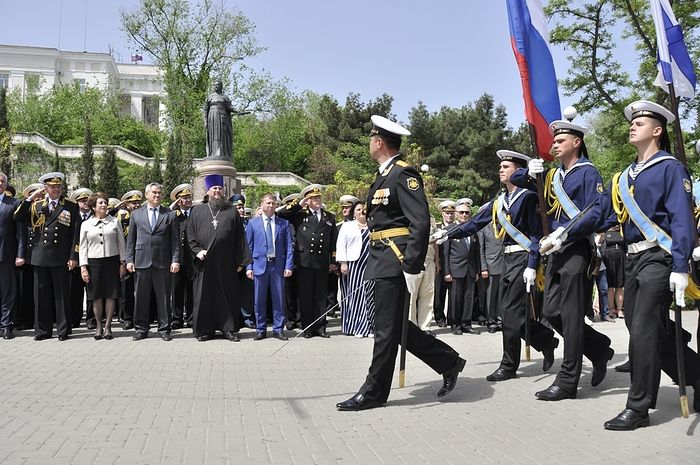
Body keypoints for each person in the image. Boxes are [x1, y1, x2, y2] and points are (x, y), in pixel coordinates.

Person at [336, 115, 465, 411]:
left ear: (379, 142)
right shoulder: (384, 175)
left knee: (385, 330)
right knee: (392, 327)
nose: (370, 143)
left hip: (394, 260)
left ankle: (373, 391)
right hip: (381, 258)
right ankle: (448, 361)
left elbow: (420, 223)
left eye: (371, 139)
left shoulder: (402, 175)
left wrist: (411, 265)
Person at [603, 101, 700, 430]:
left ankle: (639, 406)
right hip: (633, 258)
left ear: (657, 131)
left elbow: (682, 218)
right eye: (632, 122)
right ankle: (699, 376)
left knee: (643, 330)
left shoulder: (670, 168)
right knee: (649, 330)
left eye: (640, 122)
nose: (633, 126)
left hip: (659, 258)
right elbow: (608, 213)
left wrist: (680, 264)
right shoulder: (627, 173)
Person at [433, 150, 559, 382]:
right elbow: (475, 224)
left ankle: (509, 365)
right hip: (506, 259)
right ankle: (545, 340)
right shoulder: (499, 201)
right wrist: (447, 234)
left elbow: (535, 233)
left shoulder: (529, 196)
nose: (501, 170)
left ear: (519, 170)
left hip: (523, 258)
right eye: (500, 166)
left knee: (509, 315)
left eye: (506, 166)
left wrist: (532, 263)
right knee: (511, 313)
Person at [516, 118, 614, 401]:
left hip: (576, 249)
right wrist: (528, 171)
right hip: (555, 251)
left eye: (560, 141)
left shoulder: (587, 173)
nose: (554, 145)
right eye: (553, 141)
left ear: (576, 142)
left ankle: (568, 380)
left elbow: (595, 212)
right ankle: (597, 348)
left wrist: (564, 232)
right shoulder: (553, 175)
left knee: (570, 317)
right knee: (552, 312)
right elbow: (522, 181)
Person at [14, 172, 80, 341]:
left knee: (62, 296)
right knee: (41, 295)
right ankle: (43, 330)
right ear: (46, 188)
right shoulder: (36, 206)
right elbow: (18, 217)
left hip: (60, 256)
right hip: (40, 256)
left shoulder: (70, 206)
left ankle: (63, 330)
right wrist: (30, 199)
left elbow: (75, 234)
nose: (56, 189)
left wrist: (74, 256)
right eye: (52, 187)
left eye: (58, 186)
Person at [187, 174, 251, 341]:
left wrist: (240, 261)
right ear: (208, 191)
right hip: (204, 262)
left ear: (223, 191)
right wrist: (197, 250)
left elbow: (240, 237)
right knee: (204, 297)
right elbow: (190, 234)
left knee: (227, 295)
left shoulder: (231, 210)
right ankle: (205, 330)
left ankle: (228, 329)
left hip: (226, 262)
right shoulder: (197, 210)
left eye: (220, 188)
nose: (217, 191)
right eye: (214, 188)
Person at [278, 184, 338, 339]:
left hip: (322, 261)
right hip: (304, 261)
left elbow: (333, 241)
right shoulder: (299, 215)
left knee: (320, 296)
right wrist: (299, 204)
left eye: (318, 197)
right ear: (308, 200)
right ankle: (308, 328)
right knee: (305, 296)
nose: (317, 200)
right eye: (313, 198)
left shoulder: (329, 217)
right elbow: (282, 214)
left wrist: (333, 260)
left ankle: (321, 327)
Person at [126, 182, 180, 341]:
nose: (157, 195)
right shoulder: (136, 214)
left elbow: (175, 241)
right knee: (141, 298)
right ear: (147, 195)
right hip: (141, 262)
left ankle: (164, 329)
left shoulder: (169, 214)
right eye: (154, 193)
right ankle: (141, 329)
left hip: (163, 262)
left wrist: (175, 260)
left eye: (159, 193)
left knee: (163, 298)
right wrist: (129, 259)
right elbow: (131, 240)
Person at [245, 193, 294, 341]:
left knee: (279, 299)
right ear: (262, 205)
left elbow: (289, 247)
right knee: (259, 300)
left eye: (273, 203)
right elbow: (248, 247)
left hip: (277, 266)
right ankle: (260, 329)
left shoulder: (283, 223)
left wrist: (289, 266)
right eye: (268, 203)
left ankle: (278, 329)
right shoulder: (253, 224)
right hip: (259, 265)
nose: (271, 206)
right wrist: (249, 267)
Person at [79, 192, 126, 340]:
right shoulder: (86, 224)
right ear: (93, 206)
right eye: (100, 203)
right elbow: (83, 247)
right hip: (94, 263)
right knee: (96, 295)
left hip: (112, 261)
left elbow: (121, 244)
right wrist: (83, 267)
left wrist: (122, 263)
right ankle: (99, 326)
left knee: (111, 294)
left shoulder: (114, 221)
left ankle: (108, 327)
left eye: (105, 203)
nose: (104, 205)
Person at [336, 201, 375, 337]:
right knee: (356, 296)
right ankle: (357, 327)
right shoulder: (347, 226)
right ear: (353, 212)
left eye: (363, 209)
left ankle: (369, 327)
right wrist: (343, 263)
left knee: (370, 296)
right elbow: (341, 245)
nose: (361, 212)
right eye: (358, 210)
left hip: (371, 264)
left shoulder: (373, 225)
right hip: (354, 265)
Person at [443, 198, 480, 335]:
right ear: (456, 213)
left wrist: (477, 270)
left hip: (470, 269)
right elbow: (445, 253)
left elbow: (476, 252)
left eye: (467, 212)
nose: (464, 215)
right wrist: (446, 272)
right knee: (455, 298)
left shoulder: (472, 230)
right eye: (461, 212)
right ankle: (455, 324)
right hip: (455, 269)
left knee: (469, 298)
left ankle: (466, 323)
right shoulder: (450, 230)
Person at [0, 171, 23, 340]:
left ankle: (6, 325)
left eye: (2, 181)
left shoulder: (14, 203)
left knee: (8, 292)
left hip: (6, 254)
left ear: (6, 184)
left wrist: (20, 254)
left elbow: (20, 233)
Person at [116, 190, 142, 330]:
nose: (136, 205)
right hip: (126, 257)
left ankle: (143, 317)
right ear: (127, 204)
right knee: (127, 291)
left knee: (143, 290)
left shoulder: (144, 215)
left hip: (142, 257)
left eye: (138, 202)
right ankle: (128, 318)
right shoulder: (121, 217)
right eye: (133, 203)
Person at [170, 183, 195, 330]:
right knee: (177, 289)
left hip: (192, 258)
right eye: (184, 198)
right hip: (178, 258)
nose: (188, 200)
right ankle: (176, 318)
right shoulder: (173, 215)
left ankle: (191, 318)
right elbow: (165, 215)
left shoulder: (195, 213)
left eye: (189, 197)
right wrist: (174, 206)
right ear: (178, 200)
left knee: (192, 291)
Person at [69, 187, 94, 329]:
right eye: (81, 201)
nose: (85, 203)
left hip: (92, 258)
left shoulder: (96, 216)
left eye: (87, 201)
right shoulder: (72, 216)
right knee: (75, 291)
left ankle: (91, 320)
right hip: (76, 258)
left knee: (91, 291)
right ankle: (75, 319)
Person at [476, 214, 504, 333]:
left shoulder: (506, 226)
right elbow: (481, 249)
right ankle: (491, 322)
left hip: (505, 265)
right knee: (490, 296)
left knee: (502, 296)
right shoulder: (485, 228)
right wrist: (483, 268)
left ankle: (500, 320)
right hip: (490, 265)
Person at [230, 193, 255, 329]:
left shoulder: (249, 223)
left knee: (247, 294)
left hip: (246, 264)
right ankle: (235, 318)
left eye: (242, 207)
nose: (241, 210)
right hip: (232, 264)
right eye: (238, 207)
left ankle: (247, 318)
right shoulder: (229, 223)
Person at [278, 193, 302, 330]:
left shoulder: (301, 217)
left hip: (300, 259)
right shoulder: (283, 217)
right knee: (288, 292)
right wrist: (297, 205)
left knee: (300, 292)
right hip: (287, 260)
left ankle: (299, 318)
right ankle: (291, 318)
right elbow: (284, 212)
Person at [433, 200, 455, 327]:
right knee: (439, 293)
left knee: (453, 294)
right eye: (447, 213)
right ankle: (439, 318)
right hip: (439, 265)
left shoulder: (457, 227)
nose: (450, 216)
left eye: (452, 213)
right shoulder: (437, 228)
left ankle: (452, 317)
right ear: (442, 213)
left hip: (453, 265)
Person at [204, 80, 235, 159]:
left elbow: (230, 108)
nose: (216, 86)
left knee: (221, 135)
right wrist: (205, 121)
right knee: (212, 135)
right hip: (212, 117)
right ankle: (212, 153)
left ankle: (220, 153)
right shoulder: (210, 97)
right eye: (215, 85)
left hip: (221, 117)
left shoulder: (224, 97)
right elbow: (205, 109)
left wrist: (238, 111)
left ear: (221, 86)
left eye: (217, 85)